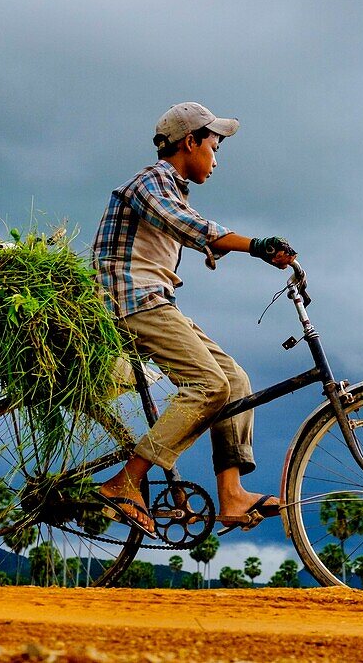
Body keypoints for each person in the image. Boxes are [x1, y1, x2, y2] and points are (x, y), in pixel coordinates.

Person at [91, 102, 295, 536]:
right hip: (129, 302)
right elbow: (191, 227)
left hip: (153, 302)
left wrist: (227, 245)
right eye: (214, 147)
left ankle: (232, 495)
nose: (216, 159)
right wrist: (255, 245)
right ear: (191, 142)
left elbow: (197, 231)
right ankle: (127, 480)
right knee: (209, 385)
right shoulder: (151, 180)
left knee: (236, 382)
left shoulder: (171, 189)